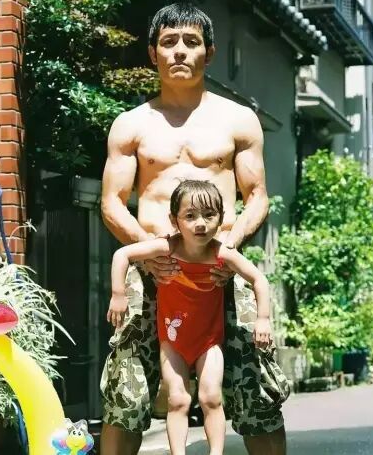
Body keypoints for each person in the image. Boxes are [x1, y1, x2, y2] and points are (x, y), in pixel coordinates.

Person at [100, 2, 289, 455]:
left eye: (191, 41)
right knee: (126, 393)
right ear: (153, 53)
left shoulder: (239, 120)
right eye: (169, 42)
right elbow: (111, 202)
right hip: (152, 271)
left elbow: (257, 196)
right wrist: (150, 251)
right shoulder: (131, 124)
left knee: (256, 390)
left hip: (222, 271)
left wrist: (230, 247)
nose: (180, 51)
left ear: (210, 52)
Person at [107, 180, 273, 455]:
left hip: (209, 340)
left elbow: (259, 280)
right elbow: (122, 254)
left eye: (209, 215)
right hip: (172, 340)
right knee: (177, 399)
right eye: (190, 216)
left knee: (211, 397)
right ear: (175, 220)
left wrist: (263, 318)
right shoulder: (167, 247)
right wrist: (118, 294)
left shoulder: (221, 253)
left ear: (221, 218)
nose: (200, 224)